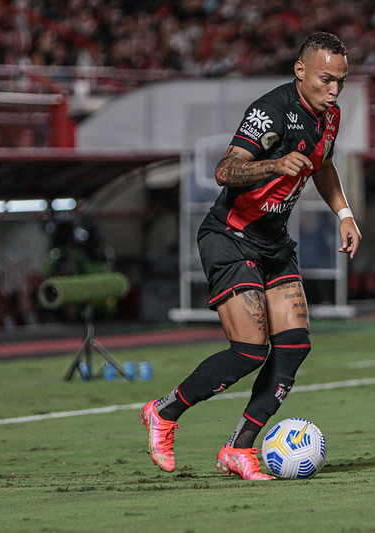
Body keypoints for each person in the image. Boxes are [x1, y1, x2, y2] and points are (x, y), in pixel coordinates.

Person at [139, 31, 361, 480]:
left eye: (341, 80)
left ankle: (238, 448)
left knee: (295, 345)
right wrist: (275, 164)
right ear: (300, 71)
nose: (334, 90)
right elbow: (225, 170)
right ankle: (163, 412)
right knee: (249, 351)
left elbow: (323, 166)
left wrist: (345, 214)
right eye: (326, 80)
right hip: (230, 236)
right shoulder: (271, 111)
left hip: (273, 242)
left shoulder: (330, 116)